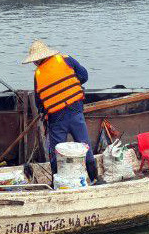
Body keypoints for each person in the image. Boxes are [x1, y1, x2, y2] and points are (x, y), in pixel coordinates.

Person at [23, 40, 99, 183]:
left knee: (56, 152)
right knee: (84, 145)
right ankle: (94, 178)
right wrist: (70, 85)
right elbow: (84, 76)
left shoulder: (38, 75)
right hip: (75, 111)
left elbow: (39, 103)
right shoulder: (65, 59)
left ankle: (56, 182)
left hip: (56, 119)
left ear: (36, 60)